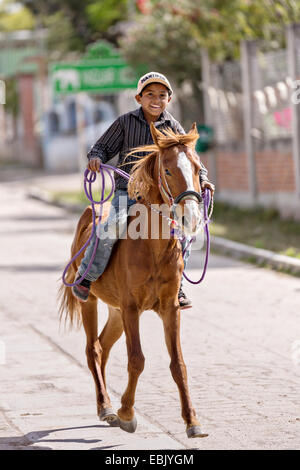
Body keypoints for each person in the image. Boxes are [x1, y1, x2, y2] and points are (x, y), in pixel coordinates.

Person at [72, 71, 214, 308]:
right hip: (127, 192)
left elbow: (190, 161)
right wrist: (96, 158)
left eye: (162, 95)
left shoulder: (173, 126)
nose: (156, 100)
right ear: (139, 98)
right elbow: (101, 148)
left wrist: (205, 179)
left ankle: (177, 286)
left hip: (161, 199)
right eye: (150, 95)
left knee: (186, 231)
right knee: (112, 226)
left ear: (169, 99)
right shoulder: (125, 122)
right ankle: (87, 276)